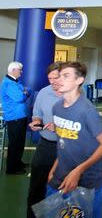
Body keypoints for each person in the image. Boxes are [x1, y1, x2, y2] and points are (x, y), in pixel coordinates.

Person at [47, 62, 102, 218]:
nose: (58, 80)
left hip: (86, 183)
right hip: (59, 179)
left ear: (79, 80)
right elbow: (64, 142)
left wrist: (78, 170)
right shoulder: (56, 108)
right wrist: (55, 167)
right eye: (59, 75)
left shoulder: (86, 110)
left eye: (66, 76)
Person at [27, 63, 62, 218]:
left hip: (67, 149)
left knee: (64, 189)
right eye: (50, 78)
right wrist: (36, 121)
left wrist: (59, 127)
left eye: (56, 78)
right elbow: (37, 114)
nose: (53, 82)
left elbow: (83, 126)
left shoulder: (76, 95)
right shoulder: (43, 92)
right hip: (46, 146)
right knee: (36, 188)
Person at [1, 61, 30, 174]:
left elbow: (25, 91)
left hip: (20, 117)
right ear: (13, 70)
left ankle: (18, 162)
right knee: (14, 143)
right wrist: (25, 92)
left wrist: (24, 92)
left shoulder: (15, 82)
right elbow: (20, 97)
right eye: (20, 70)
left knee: (20, 142)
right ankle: (11, 168)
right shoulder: (8, 83)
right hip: (14, 118)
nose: (21, 72)